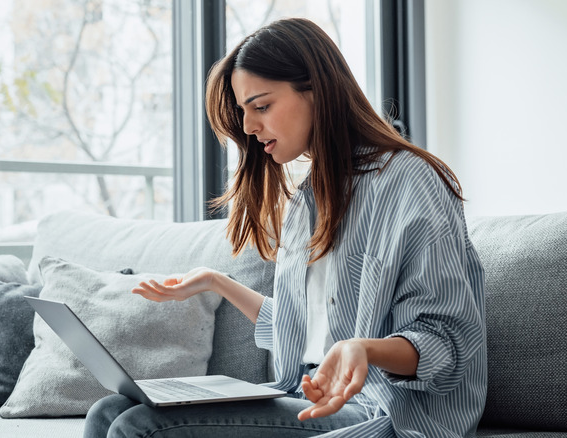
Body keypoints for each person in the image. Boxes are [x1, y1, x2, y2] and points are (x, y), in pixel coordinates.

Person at [84, 17, 486, 438]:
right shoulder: (310, 199)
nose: (248, 127)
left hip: (386, 412)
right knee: (108, 411)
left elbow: (448, 344)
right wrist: (218, 282)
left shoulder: (409, 182)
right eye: (244, 112)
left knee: (139, 426)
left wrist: (362, 349)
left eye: (261, 106)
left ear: (317, 90)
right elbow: (309, 331)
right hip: (304, 395)